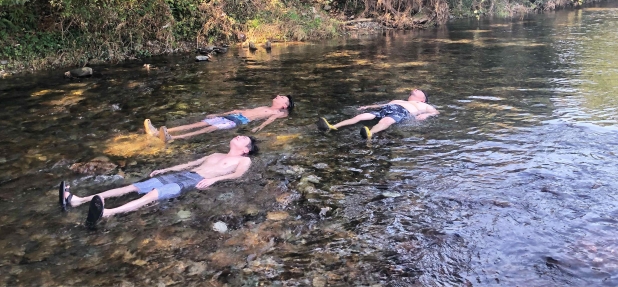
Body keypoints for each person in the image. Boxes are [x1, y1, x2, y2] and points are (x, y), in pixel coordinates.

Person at [58, 136, 258, 228]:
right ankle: (78, 200)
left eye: (243, 139)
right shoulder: (215, 153)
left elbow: (237, 175)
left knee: (153, 194)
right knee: (132, 187)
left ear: (246, 149)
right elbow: (189, 163)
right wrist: (165, 169)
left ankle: (108, 213)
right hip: (184, 174)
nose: (238, 136)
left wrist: (214, 180)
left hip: (195, 181)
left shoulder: (243, 160)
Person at [144, 95, 294, 142]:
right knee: (199, 123)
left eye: (281, 97)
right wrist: (219, 114)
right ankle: (158, 131)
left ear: (284, 106)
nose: (277, 96)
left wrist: (259, 128)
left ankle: (173, 138)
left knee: (210, 128)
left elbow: (269, 121)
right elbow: (239, 110)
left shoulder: (278, 113)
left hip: (240, 121)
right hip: (235, 116)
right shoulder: (264, 106)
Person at [317, 89, 438, 139]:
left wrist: (426, 115)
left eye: (418, 90)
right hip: (389, 108)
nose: (415, 89)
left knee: (386, 121)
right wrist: (369, 106)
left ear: (422, 99)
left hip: (402, 112)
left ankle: (370, 133)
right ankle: (332, 126)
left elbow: (435, 112)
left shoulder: (423, 105)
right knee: (360, 116)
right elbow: (382, 105)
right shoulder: (399, 100)